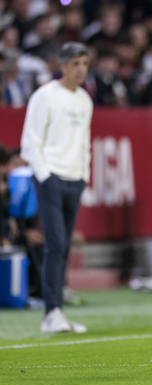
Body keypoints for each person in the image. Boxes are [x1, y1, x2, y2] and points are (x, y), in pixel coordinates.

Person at [20, 42, 92, 333]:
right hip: (51, 178)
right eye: (75, 63)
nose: (80, 69)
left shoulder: (85, 100)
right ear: (61, 66)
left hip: (75, 180)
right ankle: (51, 312)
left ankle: (56, 310)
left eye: (84, 63)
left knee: (62, 247)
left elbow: (85, 143)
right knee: (56, 245)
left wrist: (84, 174)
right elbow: (30, 142)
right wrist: (45, 176)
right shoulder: (44, 96)